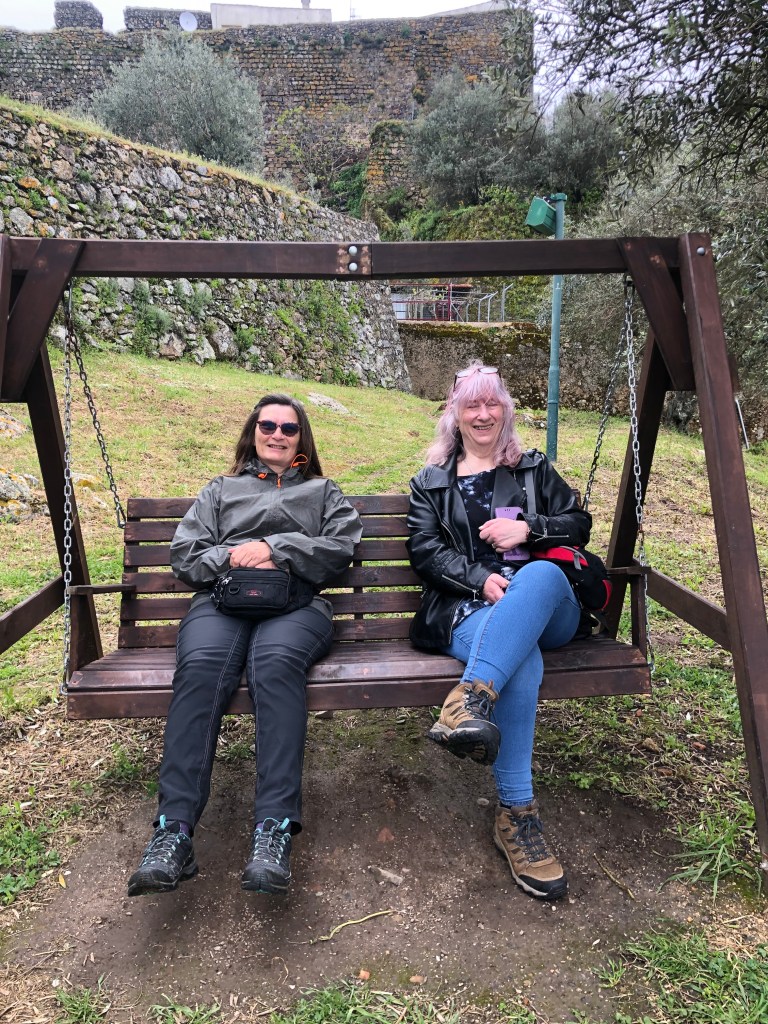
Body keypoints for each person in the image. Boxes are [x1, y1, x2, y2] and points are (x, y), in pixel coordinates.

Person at [128, 394, 362, 898]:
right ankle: (173, 830)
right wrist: (236, 556)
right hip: (223, 601)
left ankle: (273, 829)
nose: (277, 434)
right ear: (253, 432)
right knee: (201, 668)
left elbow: (341, 547)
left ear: (302, 438)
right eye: (267, 425)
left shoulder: (322, 491)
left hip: (297, 605)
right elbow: (186, 556)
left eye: (288, 428)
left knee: (275, 665)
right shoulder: (221, 490)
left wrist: (276, 548)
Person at [406, 362, 591, 901]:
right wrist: (480, 579)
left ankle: (468, 698)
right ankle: (516, 814)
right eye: (473, 404)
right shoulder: (430, 483)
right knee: (521, 657)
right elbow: (426, 552)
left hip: (548, 607)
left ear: (505, 411)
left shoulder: (532, 469)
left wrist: (529, 528)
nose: (483, 414)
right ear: (456, 414)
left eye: (492, 404)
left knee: (541, 575)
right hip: (468, 610)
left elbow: (578, 523)